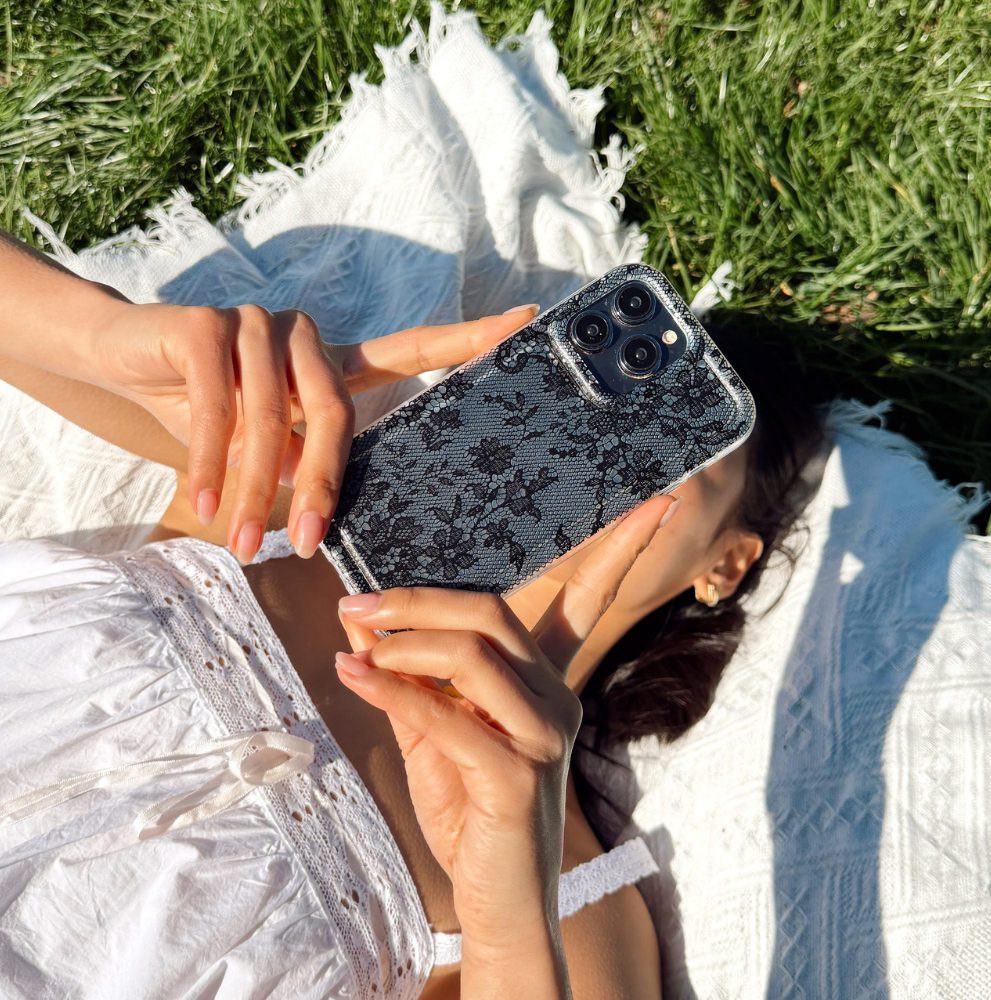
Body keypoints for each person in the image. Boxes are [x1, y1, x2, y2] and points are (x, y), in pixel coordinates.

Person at [0, 230, 821, 998]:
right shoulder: (294, 495)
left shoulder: (572, 896)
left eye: (673, 452)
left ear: (725, 564)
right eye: (594, 411)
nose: (608, 458)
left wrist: (507, 924)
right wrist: (107, 333)